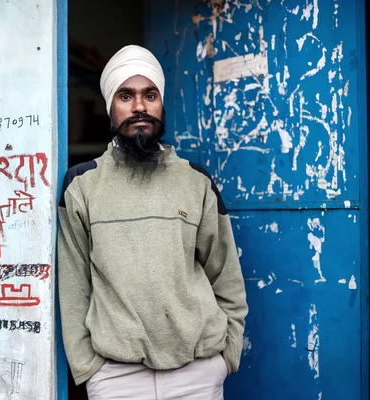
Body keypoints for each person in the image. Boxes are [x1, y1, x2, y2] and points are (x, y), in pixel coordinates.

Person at [57, 45, 248, 400]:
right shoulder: (82, 186)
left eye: (150, 95)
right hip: (116, 380)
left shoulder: (196, 182)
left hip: (197, 374)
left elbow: (227, 278)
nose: (140, 107)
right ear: (109, 107)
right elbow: (73, 288)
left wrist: (225, 357)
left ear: (162, 103)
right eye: (126, 96)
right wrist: (89, 370)